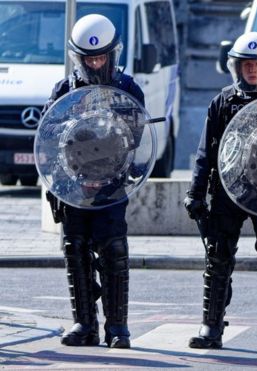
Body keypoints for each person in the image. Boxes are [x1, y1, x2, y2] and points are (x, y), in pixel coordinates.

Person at [183, 32, 257, 356]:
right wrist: (195, 192)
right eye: (246, 64)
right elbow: (206, 153)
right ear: (236, 67)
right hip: (228, 192)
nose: (252, 70)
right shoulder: (221, 102)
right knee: (217, 259)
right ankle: (211, 328)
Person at [43, 14, 144, 348]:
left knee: (113, 252)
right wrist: (73, 126)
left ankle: (118, 328)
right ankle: (84, 324)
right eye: (89, 58)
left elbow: (136, 135)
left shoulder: (127, 88)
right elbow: (47, 132)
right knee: (76, 252)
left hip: (111, 185)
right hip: (72, 186)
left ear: (111, 55)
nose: (95, 63)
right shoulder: (64, 89)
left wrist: (106, 122)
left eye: (100, 56)